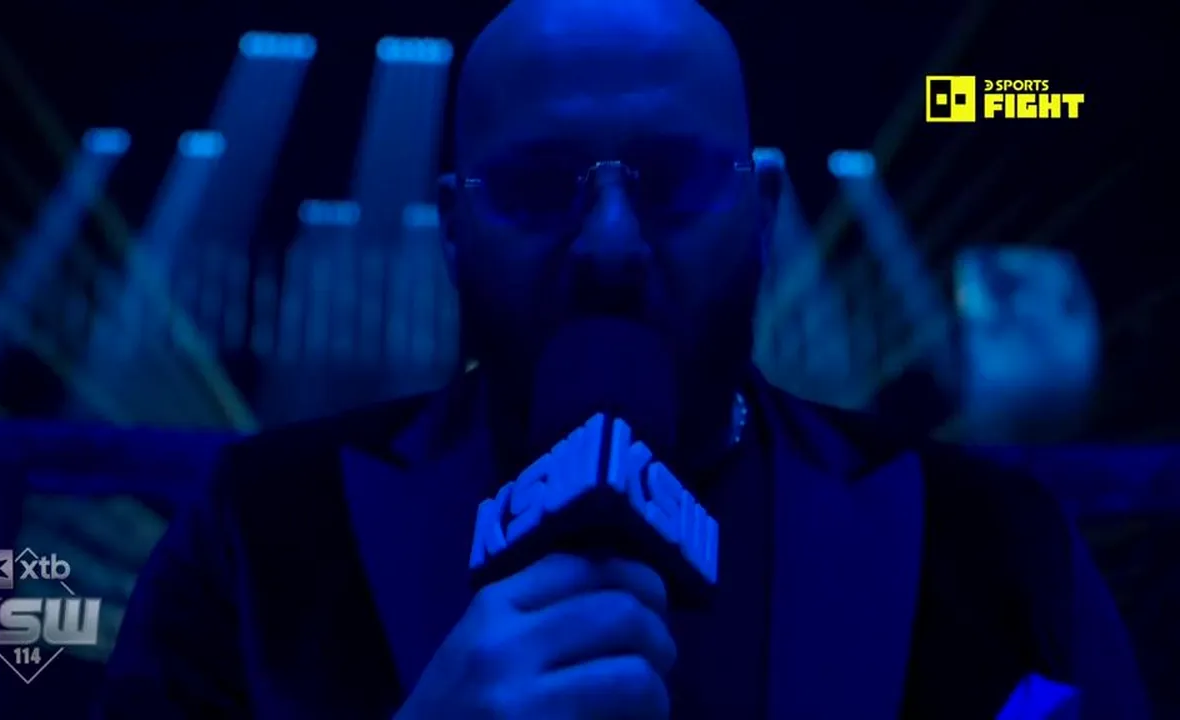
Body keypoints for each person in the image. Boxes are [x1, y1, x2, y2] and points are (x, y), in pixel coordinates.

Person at [96, 1, 1150, 717]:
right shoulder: (259, 529)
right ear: (453, 231)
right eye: (537, 185)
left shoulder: (997, 546)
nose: (609, 244)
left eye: (673, 178)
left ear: (761, 216)